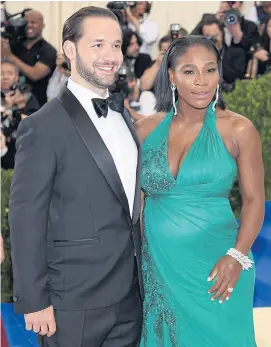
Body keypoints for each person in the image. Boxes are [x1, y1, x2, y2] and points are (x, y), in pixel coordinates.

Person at [9, 6, 143, 347]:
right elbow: (26, 218)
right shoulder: (41, 126)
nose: (110, 56)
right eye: (98, 44)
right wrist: (34, 299)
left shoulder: (124, 117)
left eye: (115, 45)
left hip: (131, 295)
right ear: (70, 50)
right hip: (71, 301)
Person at [136, 36, 265, 346]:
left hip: (219, 266)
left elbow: (254, 200)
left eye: (210, 70)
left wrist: (236, 257)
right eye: (190, 71)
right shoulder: (143, 130)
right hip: (161, 270)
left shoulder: (238, 129)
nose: (202, 81)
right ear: (171, 76)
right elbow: (135, 204)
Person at [1, 10, 57, 107]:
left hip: (37, 106)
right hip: (12, 104)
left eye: (33, 22)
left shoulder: (48, 51)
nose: (29, 25)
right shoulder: (15, 46)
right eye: (26, 22)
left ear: (42, 25)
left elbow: (35, 74)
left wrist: (10, 56)